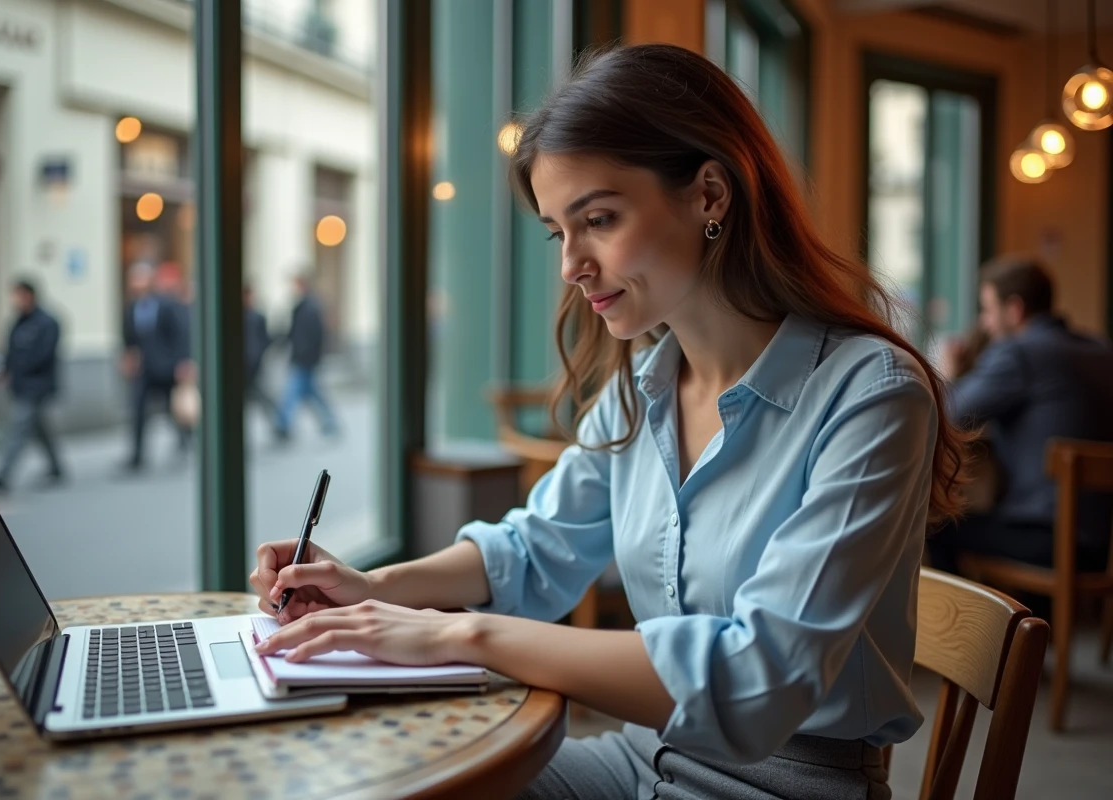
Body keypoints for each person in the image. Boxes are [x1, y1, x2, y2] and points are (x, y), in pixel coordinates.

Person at [247, 44, 972, 799]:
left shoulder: (872, 395)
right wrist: (373, 587)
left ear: (710, 195)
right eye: (560, 232)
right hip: (639, 759)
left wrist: (458, 634)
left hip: (787, 785)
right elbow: (533, 551)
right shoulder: (642, 384)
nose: (571, 267)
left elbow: (762, 681)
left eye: (599, 218)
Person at [930, 257, 1113, 575]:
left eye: (987, 310)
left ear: (1014, 309)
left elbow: (947, 413)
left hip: (1046, 538)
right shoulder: (1102, 350)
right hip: (1101, 540)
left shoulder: (1019, 353)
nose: (985, 323)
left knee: (935, 525)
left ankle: (967, 624)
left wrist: (950, 374)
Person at [0, 279, 65, 493]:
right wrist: (5, 368)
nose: (14, 301)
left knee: (19, 427)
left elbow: (44, 355)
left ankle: (4, 473)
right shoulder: (18, 322)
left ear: (29, 295)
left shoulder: (48, 322)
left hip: (37, 385)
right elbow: (10, 349)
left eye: (18, 295)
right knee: (41, 429)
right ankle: (56, 467)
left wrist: (20, 367)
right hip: (21, 385)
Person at [121, 262, 193, 472]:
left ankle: (187, 440)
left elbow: (180, 334)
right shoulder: (132, 308)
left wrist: (183, 362)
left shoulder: (165, 304)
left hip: (167, 366)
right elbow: (130, 338)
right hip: (144, 369)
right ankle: (137, 455)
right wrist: (128, 357)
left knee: (174, 409)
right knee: (138, 409)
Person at [274, 274, 338, 440]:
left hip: (304, 359)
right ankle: (330, 421)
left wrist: (310, 356)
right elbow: (293, 333)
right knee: (311, 393)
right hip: (302, 358)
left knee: (292, 392)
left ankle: (283, 424)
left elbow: (316, 336)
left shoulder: (310, 308)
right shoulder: (301, 308)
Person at [243, 284, 279, 423]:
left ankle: (278, 423)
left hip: (255, 363)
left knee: (261, 396)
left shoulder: (258, 316)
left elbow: (265, 338)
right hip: (245, 364)